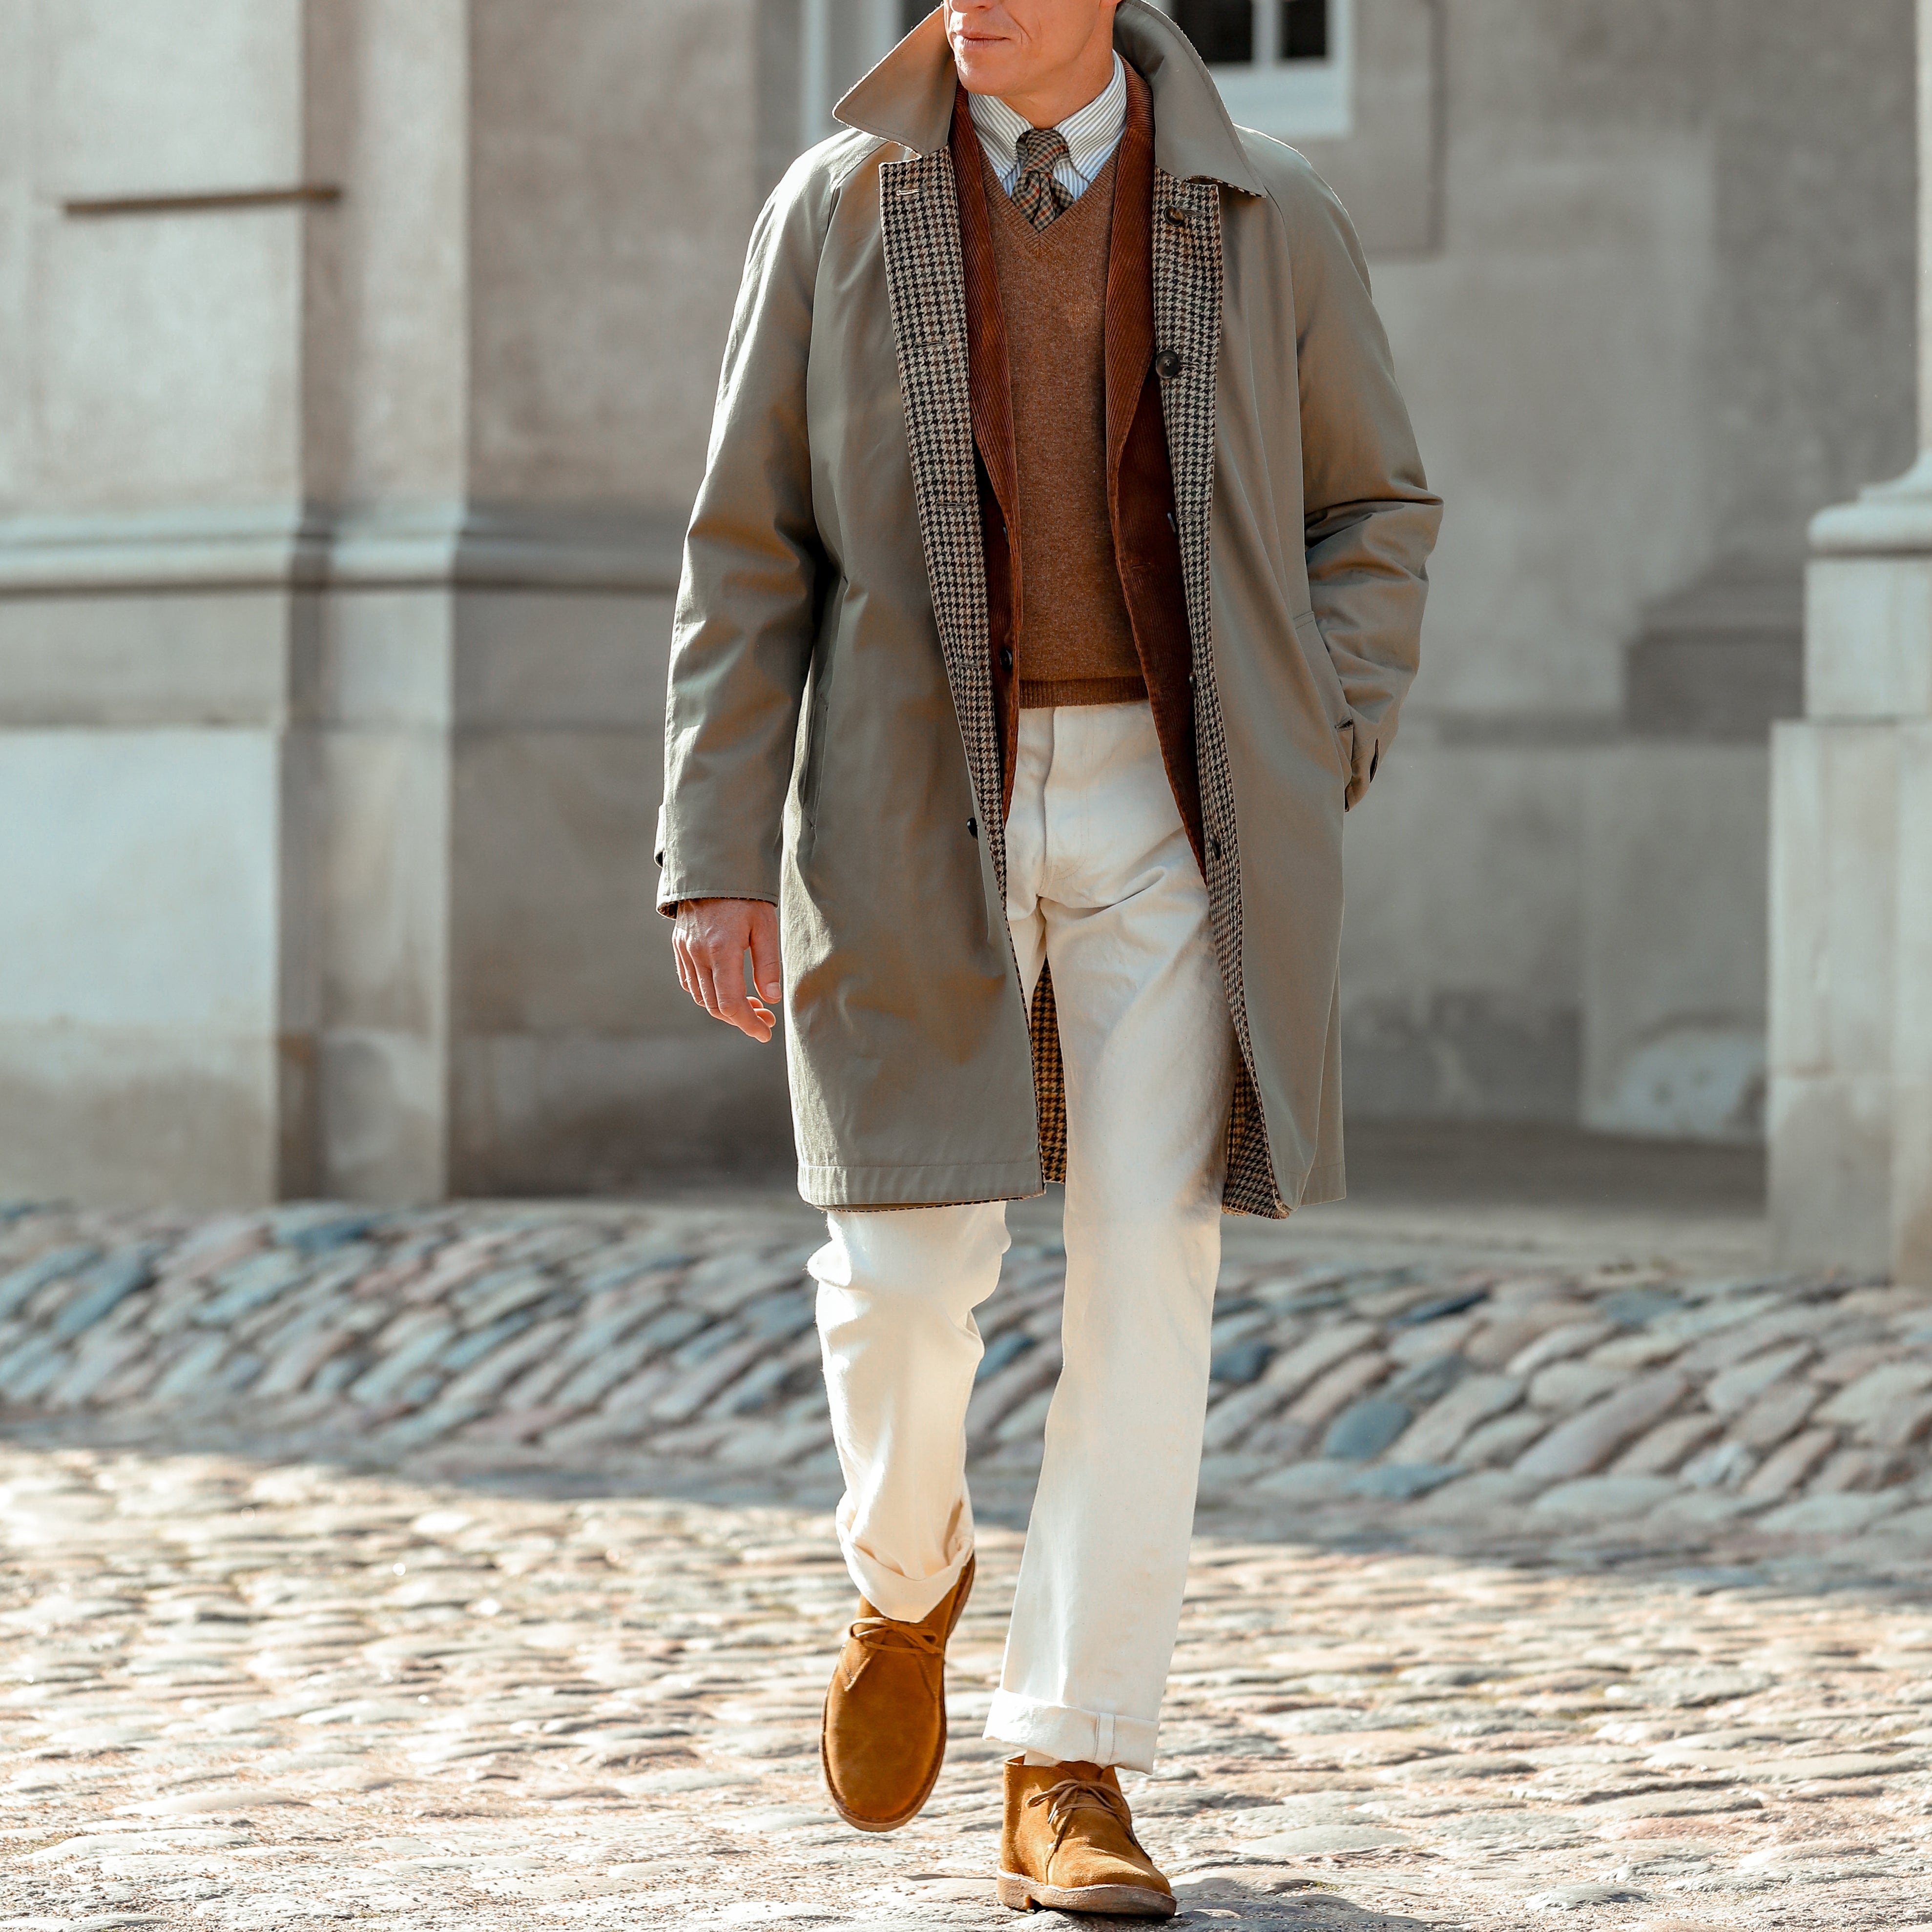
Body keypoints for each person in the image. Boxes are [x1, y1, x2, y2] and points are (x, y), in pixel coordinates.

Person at [658, 0, 1439, 1914]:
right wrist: (712, 850)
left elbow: (1377, 510)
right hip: (912, 808)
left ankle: (1068, 1758)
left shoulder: (1268, 221)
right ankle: (902, 1581)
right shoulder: (842, 205)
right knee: (905, 1277)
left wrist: (1313, 734)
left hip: (1181, 817)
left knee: (1144, 1276)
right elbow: (745, 552)